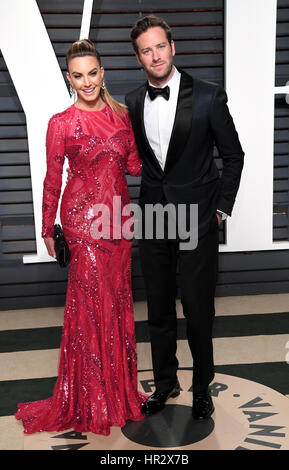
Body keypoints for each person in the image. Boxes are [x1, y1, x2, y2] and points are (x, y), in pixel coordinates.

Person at [15, 39, 147, 435]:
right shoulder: (61, 122)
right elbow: (53, 179)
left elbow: (135, 167)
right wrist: (46, 229)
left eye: (93, 73)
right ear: (69, 78)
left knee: (117, 307)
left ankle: (118, 394)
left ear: (102, 73)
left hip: (118, 225)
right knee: (92, 311)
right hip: (82, 227)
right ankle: (92, 400)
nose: (86, 82)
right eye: (78, 75)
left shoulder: (122, 116)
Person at [124, 16, 244, 420]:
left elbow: (234, 156)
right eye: (146, 50)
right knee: (158, 306)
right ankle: (164, 383)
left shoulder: (209, 96)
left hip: (197, 218)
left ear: (173, 47)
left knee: (196, 307)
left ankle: (201, 388)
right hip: (154, 216)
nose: (155, 55)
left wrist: (222, 208)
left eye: (160, 46)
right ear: (138, 58)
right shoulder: (134, 101)